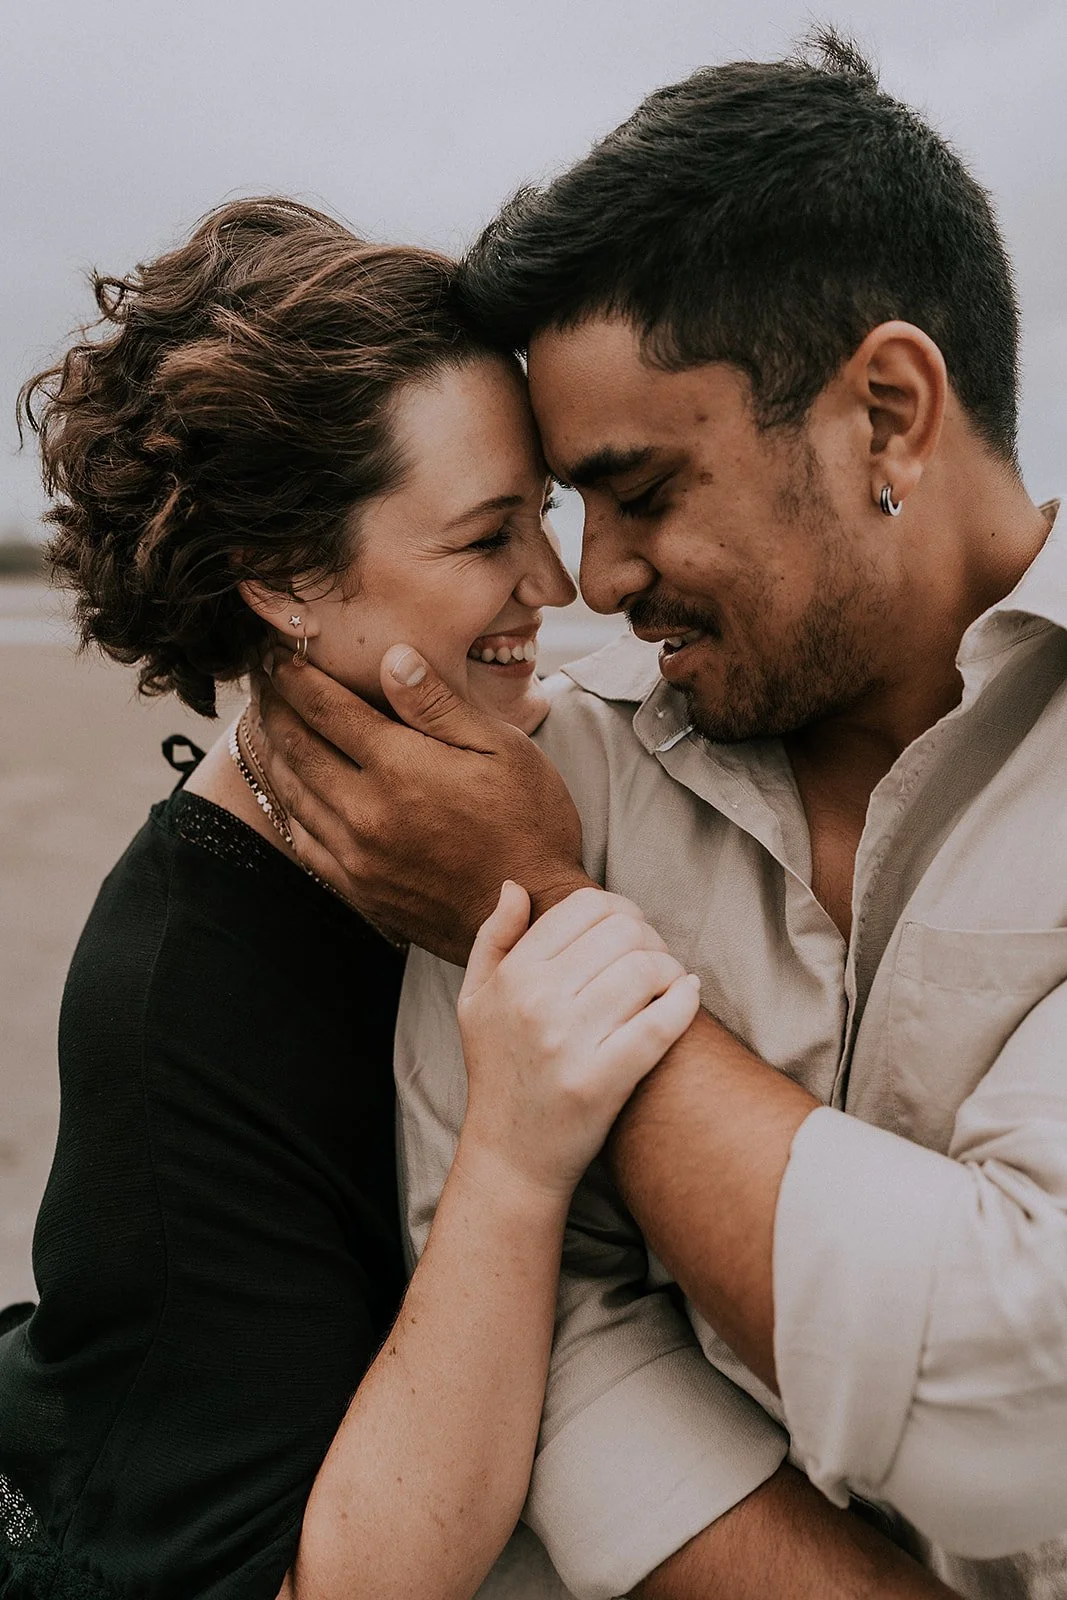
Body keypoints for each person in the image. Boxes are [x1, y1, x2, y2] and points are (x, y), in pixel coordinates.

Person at [250, 31, 1067, 1600]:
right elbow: (544, 1325)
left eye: (639, 491)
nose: (594, 580)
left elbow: (1017, 1399)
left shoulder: (514, 847)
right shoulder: (563, 776)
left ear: (888, 411)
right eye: (564, 507)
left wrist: (553, 921)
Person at [0, 196, 707, 1600]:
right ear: (284, 583)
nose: (556, 581)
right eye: (485, 537)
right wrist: (512, 1155)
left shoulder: (568, 759)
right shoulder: (182, 1000)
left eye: (544, 511)